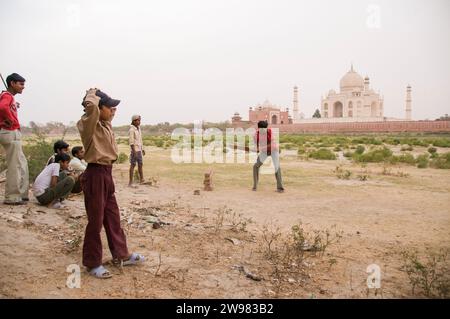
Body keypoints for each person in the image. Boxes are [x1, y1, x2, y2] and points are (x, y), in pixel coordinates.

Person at [77, 88, 144, 279]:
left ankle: (121, 255)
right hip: (95, 174)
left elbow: (100, 112)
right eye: (110, 107)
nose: (114, 110)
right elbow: (90, 108)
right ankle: (92, 263)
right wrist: (93, 93)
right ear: (99, 108)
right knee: (95, 221)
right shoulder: (89, 123)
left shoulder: (105, 125)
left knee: (113, 217)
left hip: (107, 174)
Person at [0, 73, 29, 205]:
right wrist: (10, 119)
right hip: (10, 132)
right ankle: (12, 196)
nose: (23, 87)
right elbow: (2, 107)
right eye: (21, 84)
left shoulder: (8, 97)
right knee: (15, 165)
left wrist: (13, 106)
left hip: (11, 132)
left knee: (21, 163)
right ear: (12, 83)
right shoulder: (6, 96)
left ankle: (22, 194)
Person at [252, 120, 284, 193]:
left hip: (274, 150)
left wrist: (261, 148)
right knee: (255, 166)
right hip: (264, 152)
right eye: (261, 128)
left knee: (277, 167)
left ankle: (280, 188)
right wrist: (256, 149)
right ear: (258, 128)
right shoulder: (255, 135)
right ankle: (255, 186)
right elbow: (256, 146)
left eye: (264, 128)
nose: (263, 130)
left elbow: (272, 145)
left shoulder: (270, 132)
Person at [128, 114, 145, 186]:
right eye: (137, 120)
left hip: (139, 150)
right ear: (133, 121)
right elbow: (131, 142)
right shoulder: (132, 130)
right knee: (133, 165)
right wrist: (134, 151)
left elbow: (140, 140)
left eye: (139, 120)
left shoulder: (139, 129)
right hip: (134, 150)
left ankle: (142, 180)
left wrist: (143, 149)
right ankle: (130, 182)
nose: (139, 122)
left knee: (140, 164)